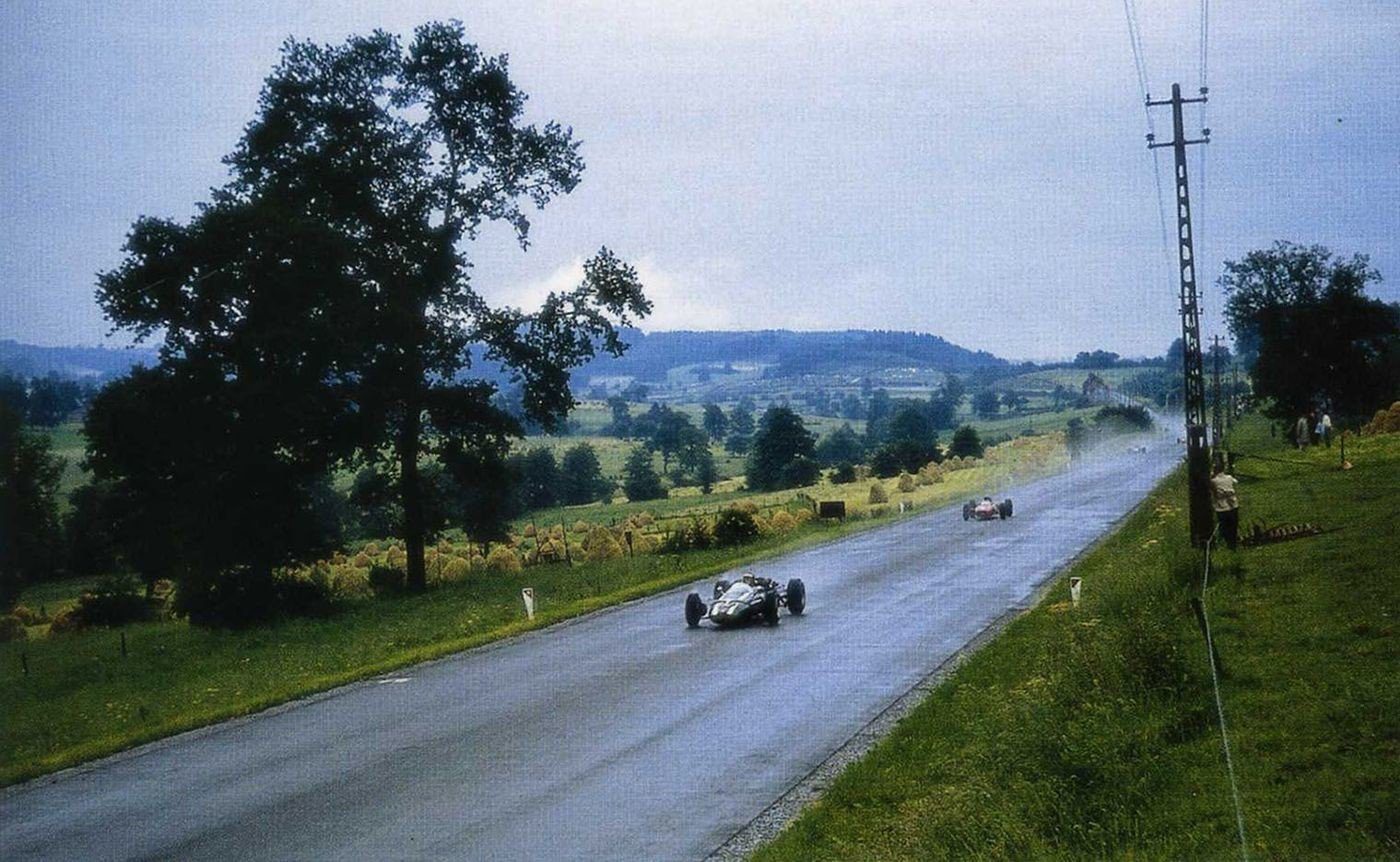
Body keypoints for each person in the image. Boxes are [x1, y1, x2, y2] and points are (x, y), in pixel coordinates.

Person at [1210, 460, 1241, 549]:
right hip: (1233, 504)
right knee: (1233, 525)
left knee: (1224, 526)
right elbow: (1236, 482)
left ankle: (1228, 543)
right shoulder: (1229, 477)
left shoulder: (1214, 481)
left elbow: (1211, 489)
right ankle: (1234, 542)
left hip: (1221, 506)